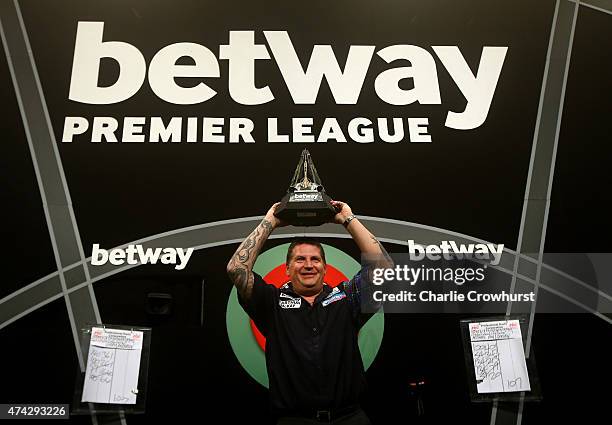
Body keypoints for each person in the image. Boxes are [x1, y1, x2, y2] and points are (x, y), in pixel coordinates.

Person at [226, 200, 391, 424]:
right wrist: (270, 222)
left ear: (325, 267)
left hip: (350, 417)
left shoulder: (346, 299)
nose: (308, 265)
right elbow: (236, 269)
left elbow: (384, 269)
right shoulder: (271, 302)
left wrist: (348, 219)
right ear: (286, 268)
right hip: (295, 420)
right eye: (299, 259)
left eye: (315, 259)